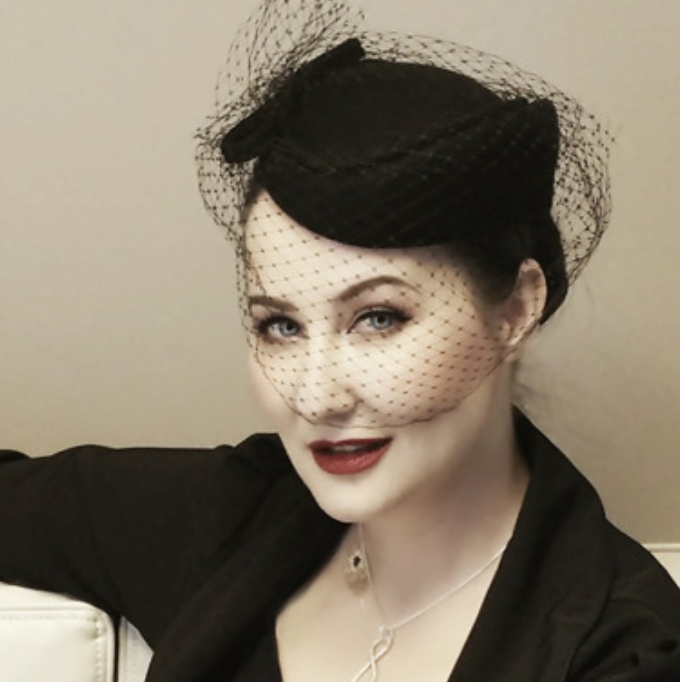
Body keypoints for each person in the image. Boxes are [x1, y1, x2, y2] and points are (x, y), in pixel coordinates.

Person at [1, 1, 679, 681]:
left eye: (378, 318)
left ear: (516, 310)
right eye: (281, 325)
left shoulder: (623, 650)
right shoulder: (232, 518)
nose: (317, 396)